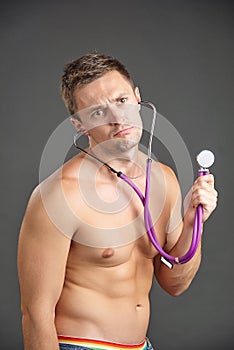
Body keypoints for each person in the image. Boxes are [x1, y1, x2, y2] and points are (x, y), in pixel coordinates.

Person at [18, 53, 218, 350]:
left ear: (137, 98)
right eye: (98, 112)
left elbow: (175, 284)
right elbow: (36, 314)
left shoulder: (164, 180)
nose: (117, 118)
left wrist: (193, 222)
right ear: (79, 125)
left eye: (122, 101)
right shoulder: (59, 196)